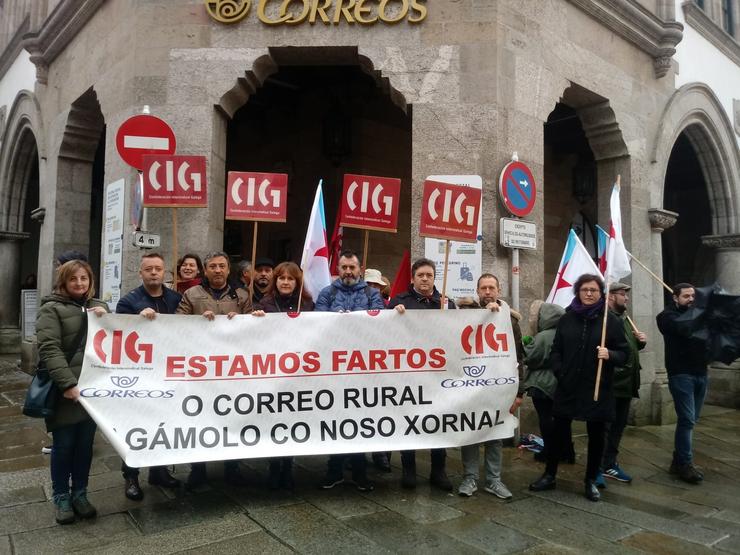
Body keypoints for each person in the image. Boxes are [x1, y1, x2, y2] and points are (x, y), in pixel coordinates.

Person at [529, 273, 629, 502]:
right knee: (557, 432)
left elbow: (624, 353)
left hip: (597, 387)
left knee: (597, 436)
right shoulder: (567, 318)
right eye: (585, 290)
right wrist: (560, 371)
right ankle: (550, 474)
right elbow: (556, 350)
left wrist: (610, 354)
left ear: (601, 293)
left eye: (593, 290)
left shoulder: (610, 321)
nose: (589, 294)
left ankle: (591, 479)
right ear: (578, 292)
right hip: (568, 386)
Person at [36, 260, 108, 524]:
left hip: (92, 391)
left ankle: (80, 493)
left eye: (84, 279)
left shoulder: (97, 307)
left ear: (91, 281)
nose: (79, 284)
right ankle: (61, 496)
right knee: (64, 446)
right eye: (73, 279)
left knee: (84, 446)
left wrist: (105, 315)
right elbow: (49, 349)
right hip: (66, 391)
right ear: (63, 282)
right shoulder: (50, 309)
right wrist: (67, 384)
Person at [177, 251, 253, 488]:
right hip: (201, 370)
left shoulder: (241, 295)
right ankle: (198, 469)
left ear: (229, 270)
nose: (218, 270)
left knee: (232, 417)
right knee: (200, 418)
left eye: (222, 266)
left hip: (232, 370)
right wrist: (196, 321)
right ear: (205, 270)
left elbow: (254, 328)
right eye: (212, 266)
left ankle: (232, 466)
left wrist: (244, 320)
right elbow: (177, 325)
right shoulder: (191, 294)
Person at [315, 249, 384, 491]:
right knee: (335, 421)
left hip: (362, 369)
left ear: (359, 269)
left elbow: (379, 323)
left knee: (359, 422)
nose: (347, 272)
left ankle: (360, 472)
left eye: (352, 268)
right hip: (333, 369)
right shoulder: (327, 293)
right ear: (339, 269)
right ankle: (333, 470)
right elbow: (316, 323)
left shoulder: (372, 294)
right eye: (343, 268)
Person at [116, 253, 183, 500]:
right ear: (140, 273)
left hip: (168, 372)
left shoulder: (176, 299)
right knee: (137, 425)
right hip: (141, 375)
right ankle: (131, 476)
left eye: (158, 268)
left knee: (164, 423)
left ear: (164, 272)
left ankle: (159, 470)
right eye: (149, 269)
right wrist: (136, 321)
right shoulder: (128, 302)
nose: (154, 273)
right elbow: (120, 333)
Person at [389, 258, 455, 491]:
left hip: (437, 375)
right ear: (413, 278)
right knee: (409, 421)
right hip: (409, 375)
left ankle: (438, 471)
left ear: (434, 278)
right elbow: (384, 332)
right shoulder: (399, 302)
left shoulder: (446, 303)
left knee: (439, 422)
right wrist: (393, 315)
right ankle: (409, 471)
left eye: (429, 275)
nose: (425, 279)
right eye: (421, 275)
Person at [456, 273, 524, 499]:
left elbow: (519, 358)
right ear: (477, 291)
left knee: (495, 433)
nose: (487, 292)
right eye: (483, 288)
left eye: (491, 288)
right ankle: (470, 478)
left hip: (499, 389)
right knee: (471, 432)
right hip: (470, 387)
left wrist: (519, 393)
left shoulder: (510, 321)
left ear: (498, 290)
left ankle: (494, 480)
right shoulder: (465, 317)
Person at [252, 262, 314, 489]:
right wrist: (255, 319)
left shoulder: (307, 305)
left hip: (298, 374)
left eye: (290, 279)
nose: (285, 282)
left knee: (291, 420)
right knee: (274, 420)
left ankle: (287, 466)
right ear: (275, 281)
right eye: (281, 278)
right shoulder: (265, 305)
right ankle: (274, 465)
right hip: (273, 374)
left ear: (297, 282)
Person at [656, 282, 709, 484]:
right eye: (686, 296)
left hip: (701, 372)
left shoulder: (700, 316)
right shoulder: (667, 317)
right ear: (675, 298)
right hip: (681, 374)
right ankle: (685, 464)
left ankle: (678, 459)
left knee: (692, 419)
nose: (691, 299)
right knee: (687, 419)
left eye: (693, 296)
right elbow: (684, 327)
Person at [601, 282, 647, 484]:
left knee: (618, 427)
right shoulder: (605, 320)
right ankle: (603, 465)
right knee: (607, 427)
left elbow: (626, 347)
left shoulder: (624, 319)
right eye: (622, 294)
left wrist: (640, 342)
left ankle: (609, 462)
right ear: (611, 296)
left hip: (627, 383)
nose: (626, 298)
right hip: (613, 383)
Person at [521, 301, 572, 465]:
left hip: (541, 384)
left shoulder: (543, 336)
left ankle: (549, 451)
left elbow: (531, 358)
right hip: (561, 383)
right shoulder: (566, 332)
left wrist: (527, 345)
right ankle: (567, 451)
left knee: (546, 419)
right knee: (562, 421)